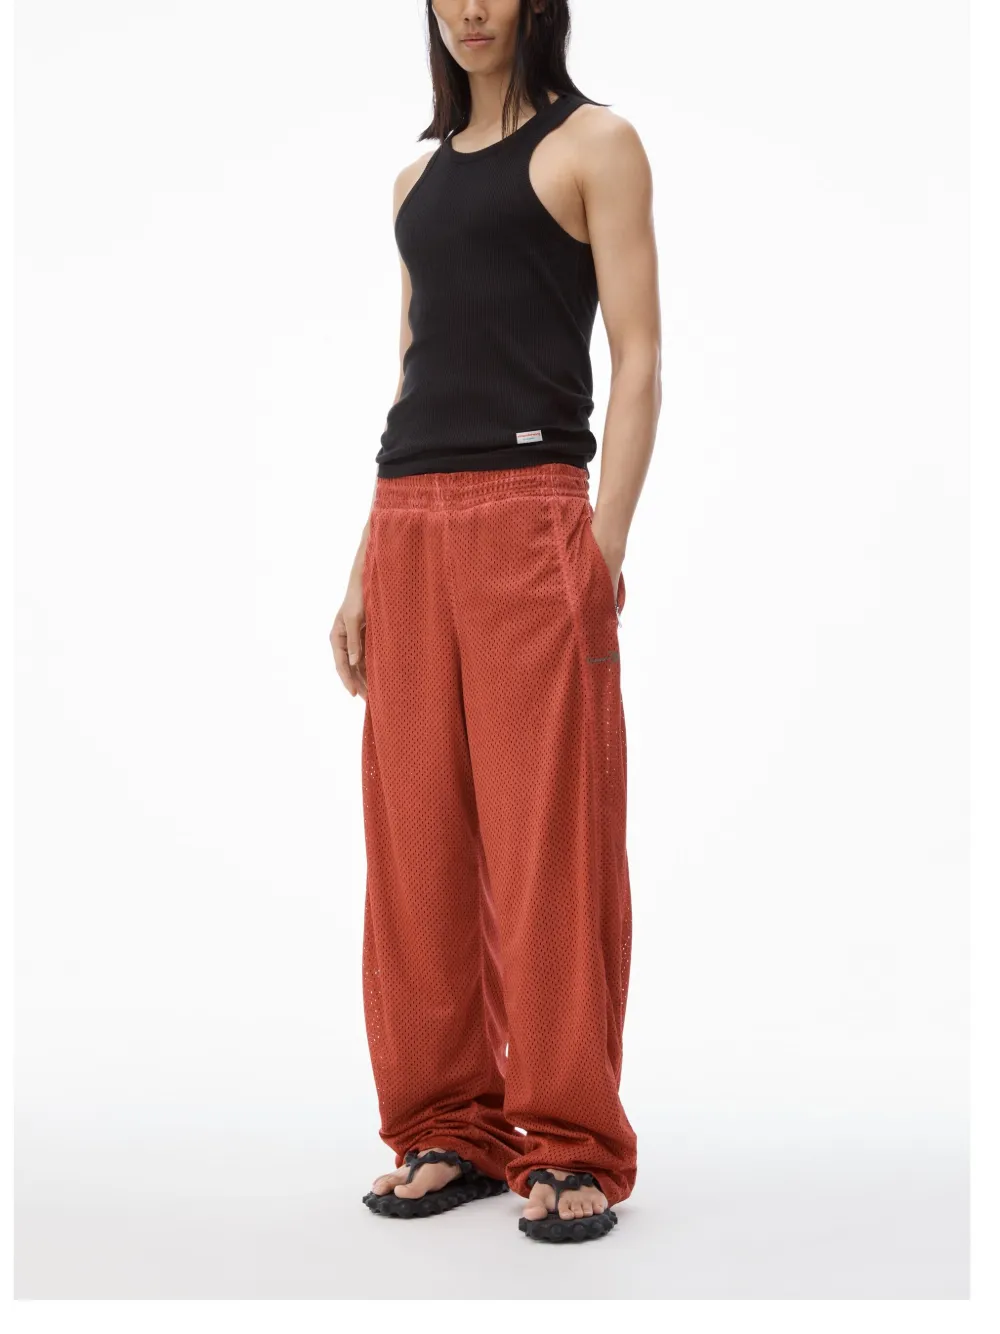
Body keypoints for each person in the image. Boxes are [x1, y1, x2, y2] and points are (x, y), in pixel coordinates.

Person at [330, 0, 660, 1244]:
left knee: (545, 846)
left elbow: (639, 356)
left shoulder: (594, 144)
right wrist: (364, 562)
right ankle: (448, 1125)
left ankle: (570, 1139)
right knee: (414, 844)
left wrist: (601, 542)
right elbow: (415, 370)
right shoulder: (414, 182)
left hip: (532, 513)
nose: (469, 7)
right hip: (408, 519)